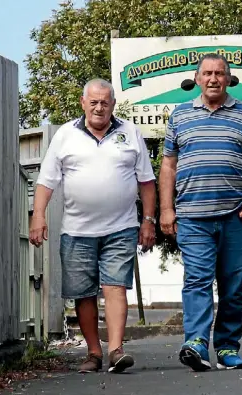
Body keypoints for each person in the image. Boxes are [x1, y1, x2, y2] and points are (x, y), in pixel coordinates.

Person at [29, 78, 157, 373]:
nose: (100, 108)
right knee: (83, 293)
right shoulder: (65, 135)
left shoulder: (130, 133)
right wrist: (38, 216)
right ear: (83, 102)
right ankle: (94, 352)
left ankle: (116, 350)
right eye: (94, 102)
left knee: (115, 287)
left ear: (113, 104)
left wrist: (148, 221)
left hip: (121, 227)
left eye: (105, 102)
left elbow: (147, 182)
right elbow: (47, 181)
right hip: (76, 230)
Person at [159, 53, 242, 371]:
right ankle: (196, 342)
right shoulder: (180, 116)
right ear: (197, 79)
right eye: (207, 73)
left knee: (235, 285)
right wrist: (166, 209)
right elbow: (168, 165)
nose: (213, 78)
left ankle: (226, 347)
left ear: (229, 79)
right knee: (197, 279)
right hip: (192, 216)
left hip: (238, 216)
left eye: (220, 73)